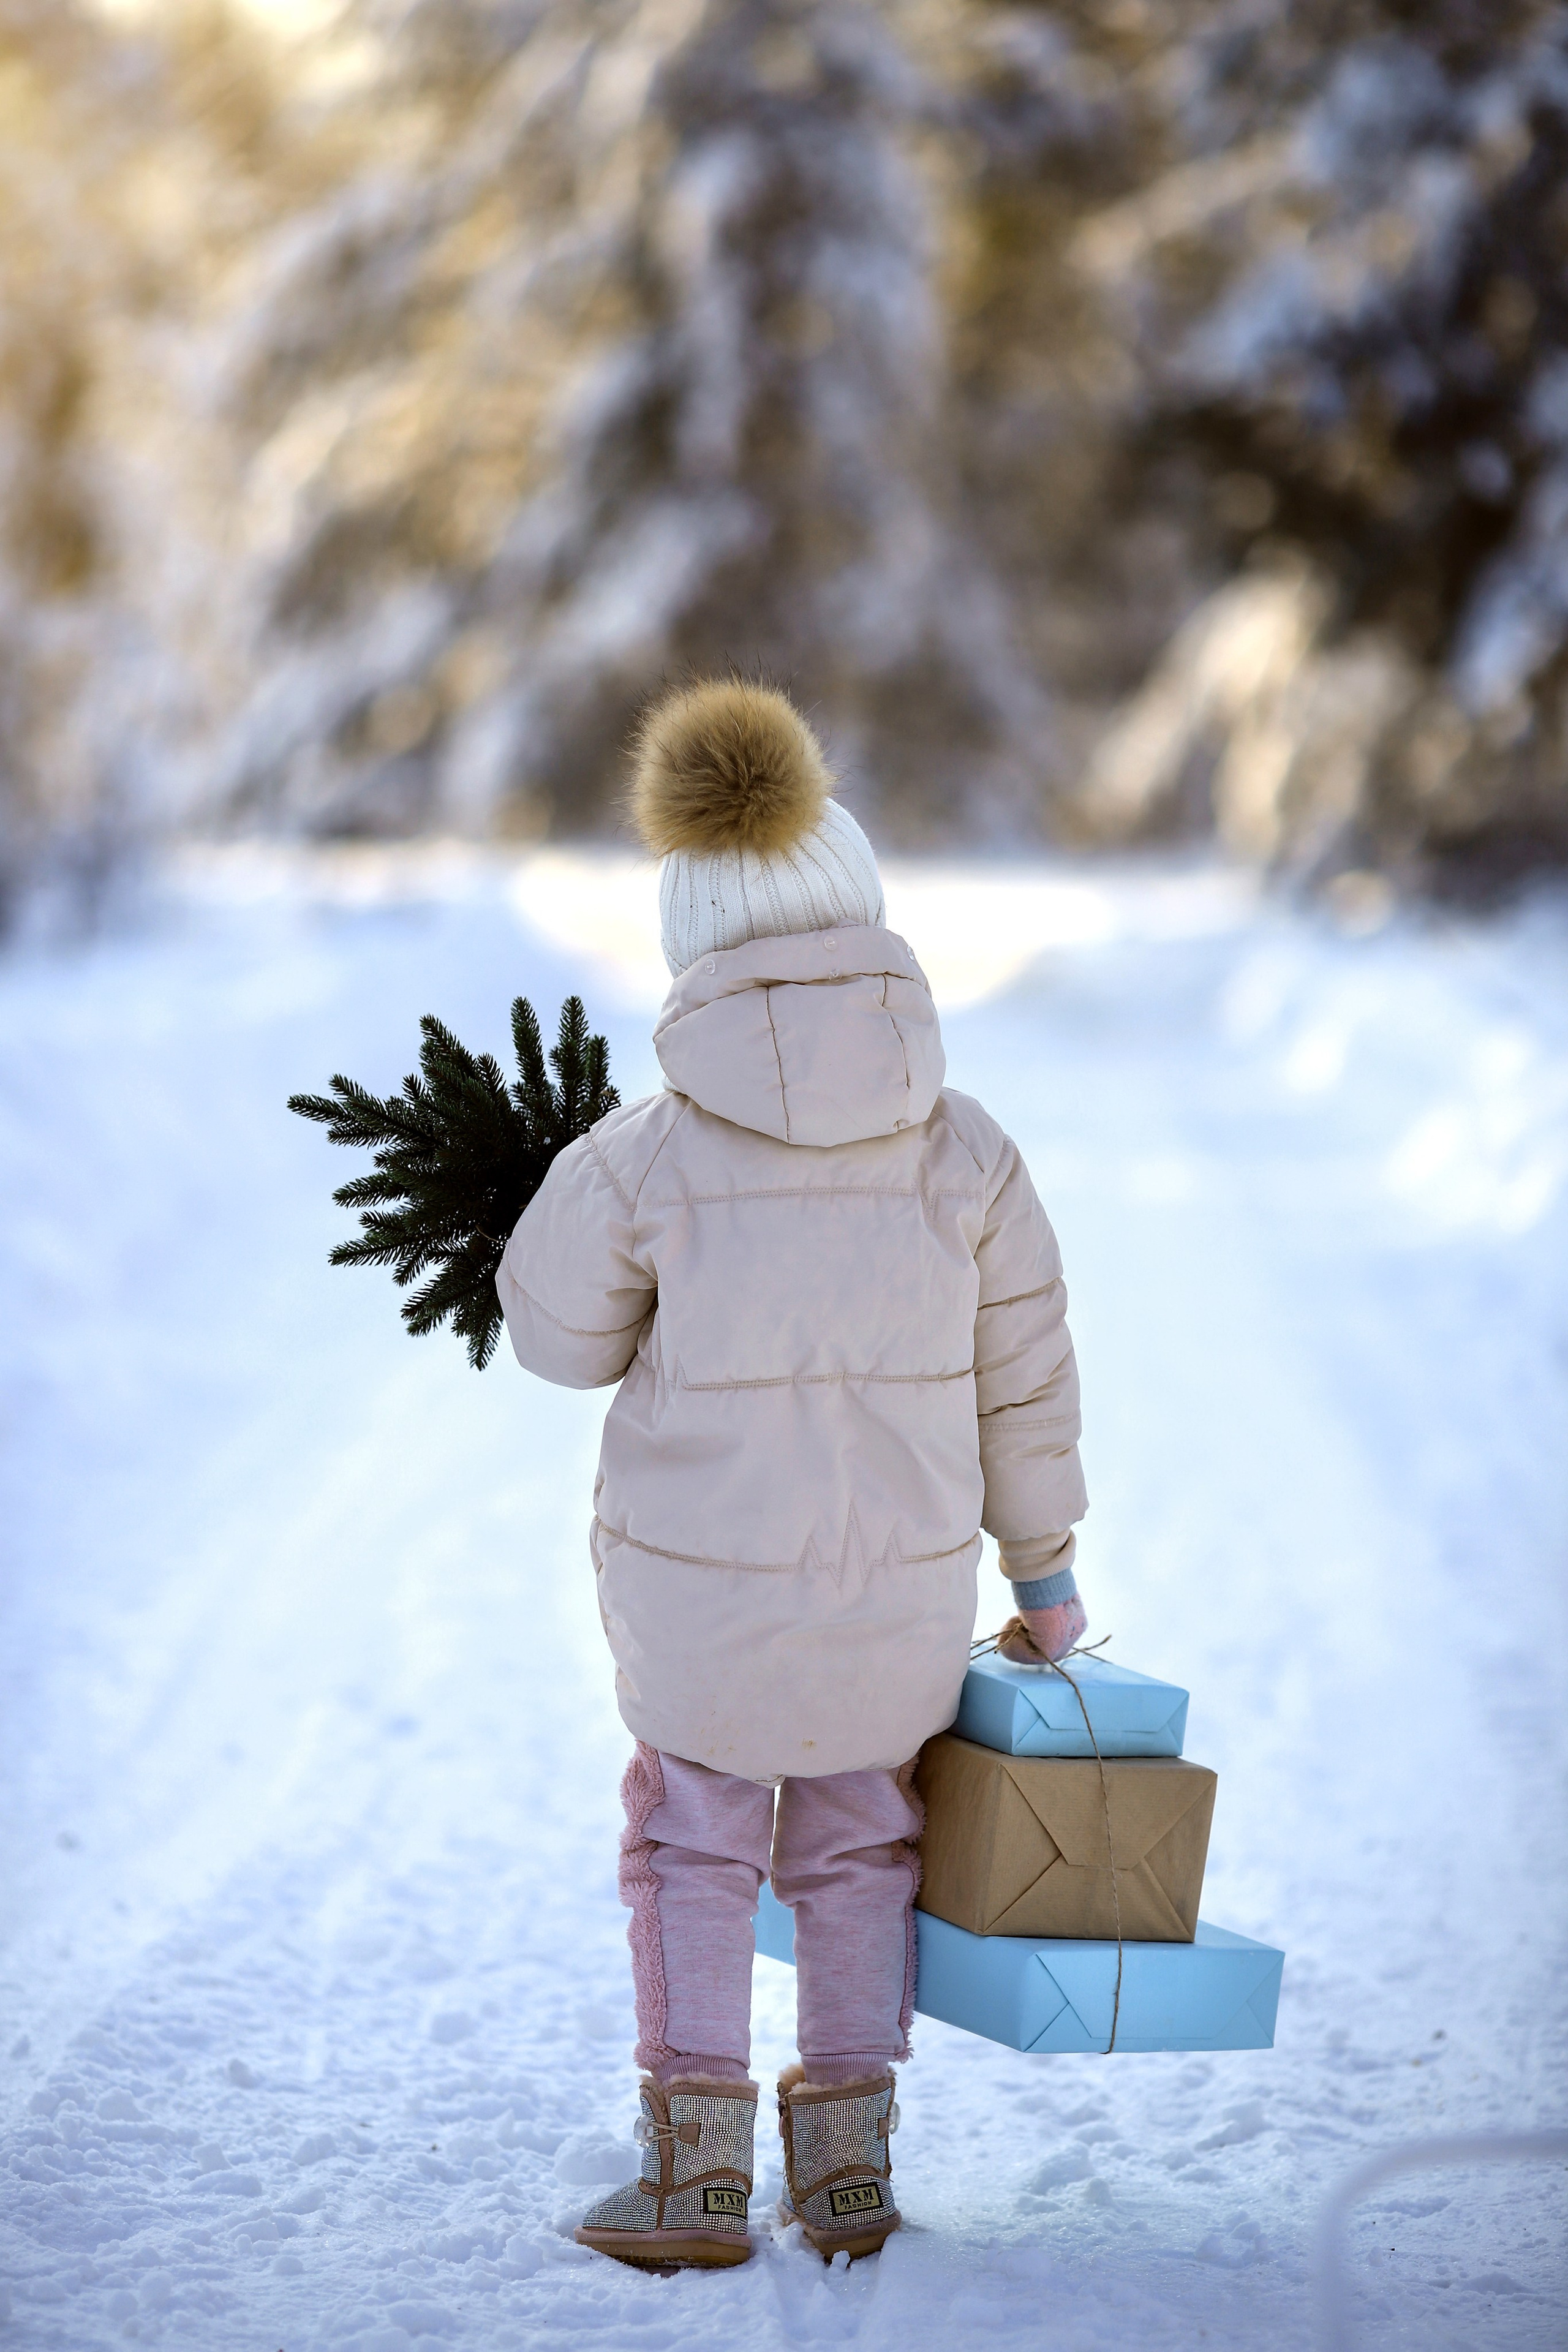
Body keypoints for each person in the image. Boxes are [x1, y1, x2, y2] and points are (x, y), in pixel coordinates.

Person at [497, 678, 1088, 2268]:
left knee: (689, 1835)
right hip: (891, 1604)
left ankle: (691, 2177)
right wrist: (1045, 1576)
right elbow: (1024, 1378)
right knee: (859, 1842)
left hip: (695, 1609)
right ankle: (843, 2170)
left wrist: (547, 1197)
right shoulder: (968, 1148)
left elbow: (555, 1341)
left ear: (691, 956)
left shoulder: (642, 1151)